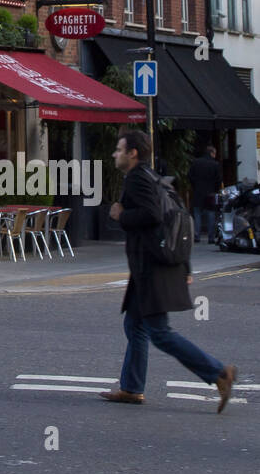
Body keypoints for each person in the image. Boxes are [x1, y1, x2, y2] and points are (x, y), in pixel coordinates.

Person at [100, 130, 235, 410]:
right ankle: (132, 388)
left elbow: (153, 215)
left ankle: (218, 372)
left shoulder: (138, 178)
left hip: (152, 267)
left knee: (159, 332)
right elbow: (176, 217)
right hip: (152, 265)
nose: (115, 153)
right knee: (135, 325)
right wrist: (185, 263)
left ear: (133, 153)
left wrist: (120, 215)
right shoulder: (154, 176)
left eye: (119, 149)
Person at [188, 145, 222, 244]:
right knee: (211, 214)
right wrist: (216, 190)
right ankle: (211, 237)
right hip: (210, 193)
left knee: (197, 214)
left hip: (198, 192)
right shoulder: (215, 164)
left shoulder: (196, 162)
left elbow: (190, 176)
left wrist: (195, 186)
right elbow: (218, 179)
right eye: (215, 154)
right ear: (212, 153)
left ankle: (197, 236)